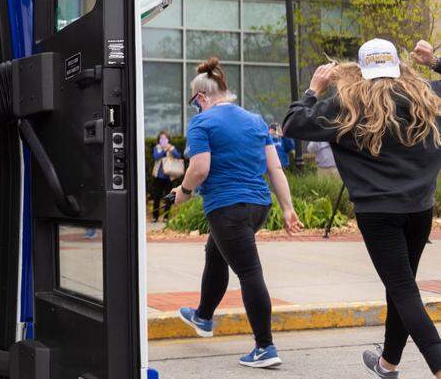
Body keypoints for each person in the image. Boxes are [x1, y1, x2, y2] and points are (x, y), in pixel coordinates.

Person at [283, 38, 441, 378]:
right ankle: (388, 364)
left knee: (401, 287)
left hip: (378, 212)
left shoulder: (346, 103)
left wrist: (313, 89)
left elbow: (292, 124)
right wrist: (434, 62)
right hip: (419, 208)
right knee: (402, 285)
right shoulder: (425, 97)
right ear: (399, 66)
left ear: (362, 70)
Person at [172, 57, 302, 369]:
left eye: (194, 101)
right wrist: (288, 208)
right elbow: (275, 169)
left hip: (227, 207)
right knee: (215, 252)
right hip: (258, 205)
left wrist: (184, 192)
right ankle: (203, 316)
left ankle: (265, 347)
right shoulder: (256, 120)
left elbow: (199, 168)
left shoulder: (202, 122)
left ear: (202, 97)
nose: (195, 107)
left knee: (248, 272)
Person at [150, 131, 181, 222]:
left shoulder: (171, 147)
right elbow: (156, 157)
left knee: (168, 197)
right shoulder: (157, 148)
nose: (163, 140)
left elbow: (178, 156)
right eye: (161, 138)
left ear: (168, 139)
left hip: (169, 177)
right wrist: (164, 150)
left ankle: (166, 217)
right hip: (158, 177)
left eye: (165, 138)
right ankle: (155, 217)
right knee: (157, 197)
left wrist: (170, 149)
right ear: (159, 139)